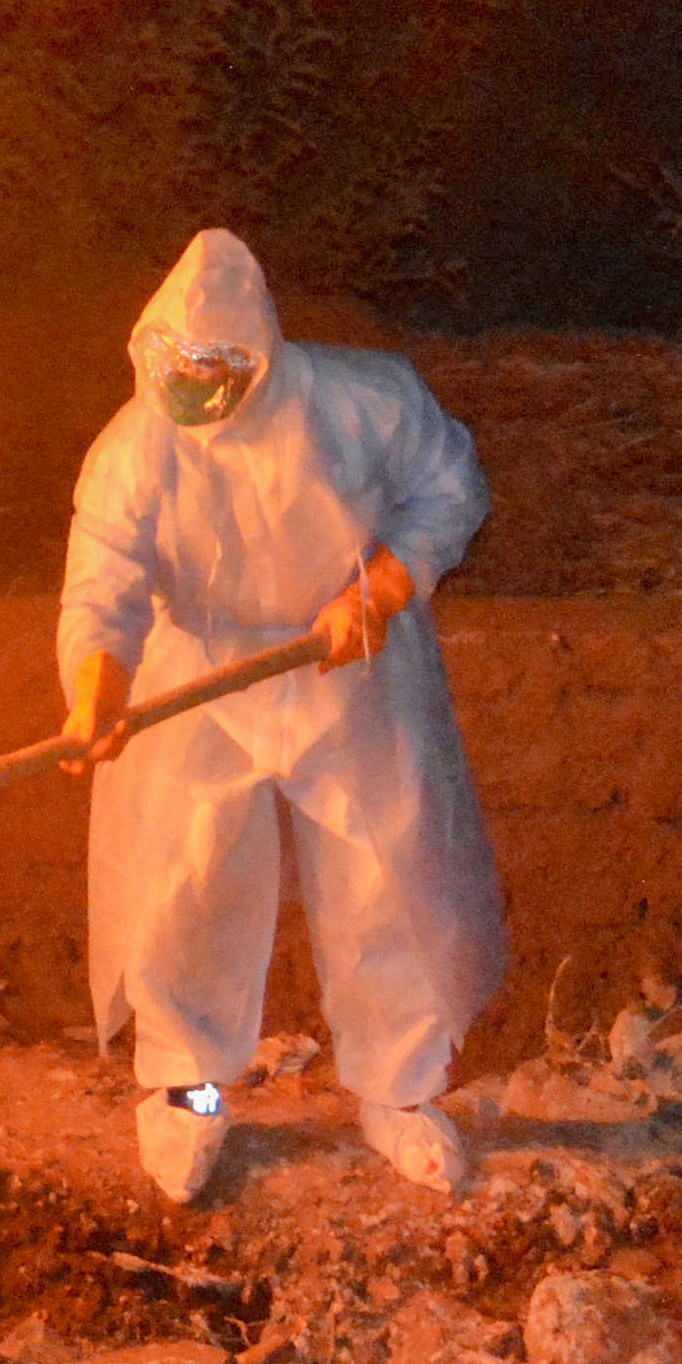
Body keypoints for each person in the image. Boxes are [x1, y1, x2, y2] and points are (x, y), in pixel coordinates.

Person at [57, 227, 504, 1200]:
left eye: (216, 363)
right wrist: (97, 684)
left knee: (384, 865)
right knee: (189, 883)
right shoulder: (134, 451)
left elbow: (451, 487)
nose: (194, 381)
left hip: (344, 656)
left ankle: (400, 1090)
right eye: (177, 361)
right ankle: (192, 1095)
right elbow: (104, 582)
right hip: (202, 674)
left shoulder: (361, 402)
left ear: (258, 353)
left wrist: (382, 590)